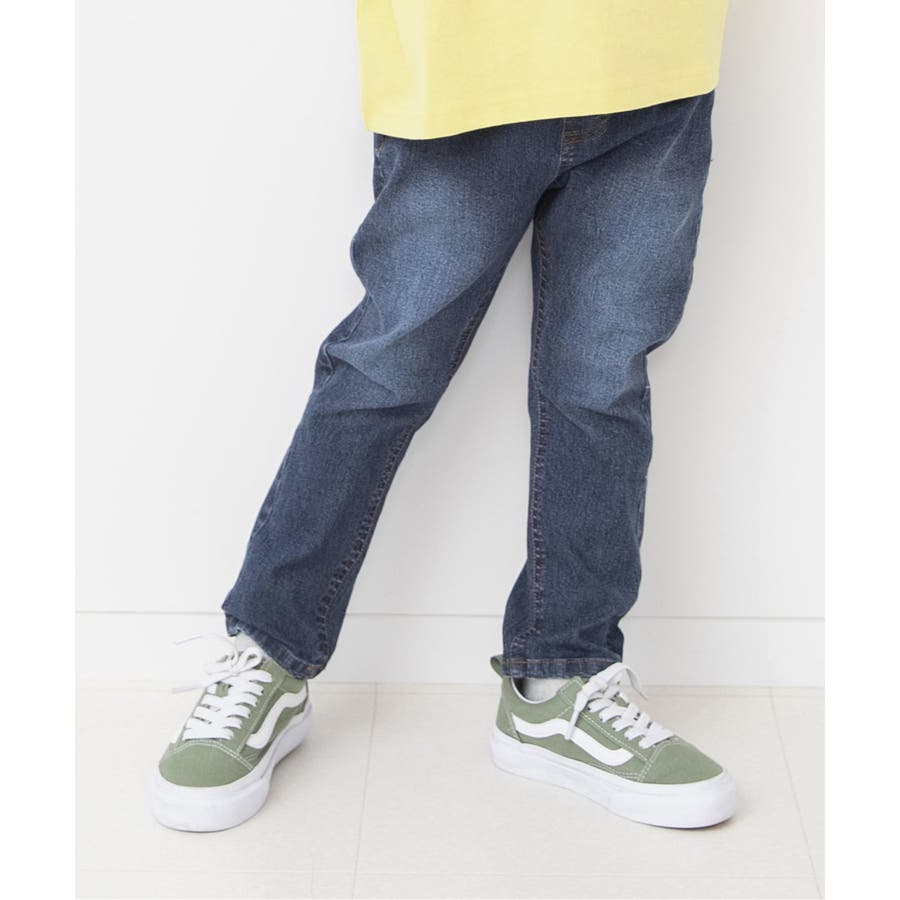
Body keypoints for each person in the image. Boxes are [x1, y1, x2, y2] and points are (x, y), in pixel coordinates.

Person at [151, 0, 736, 832]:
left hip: (657, 63)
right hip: (468, 67)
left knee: (602, 387)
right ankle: (267, 657)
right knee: (381, 373)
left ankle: (561, 680)